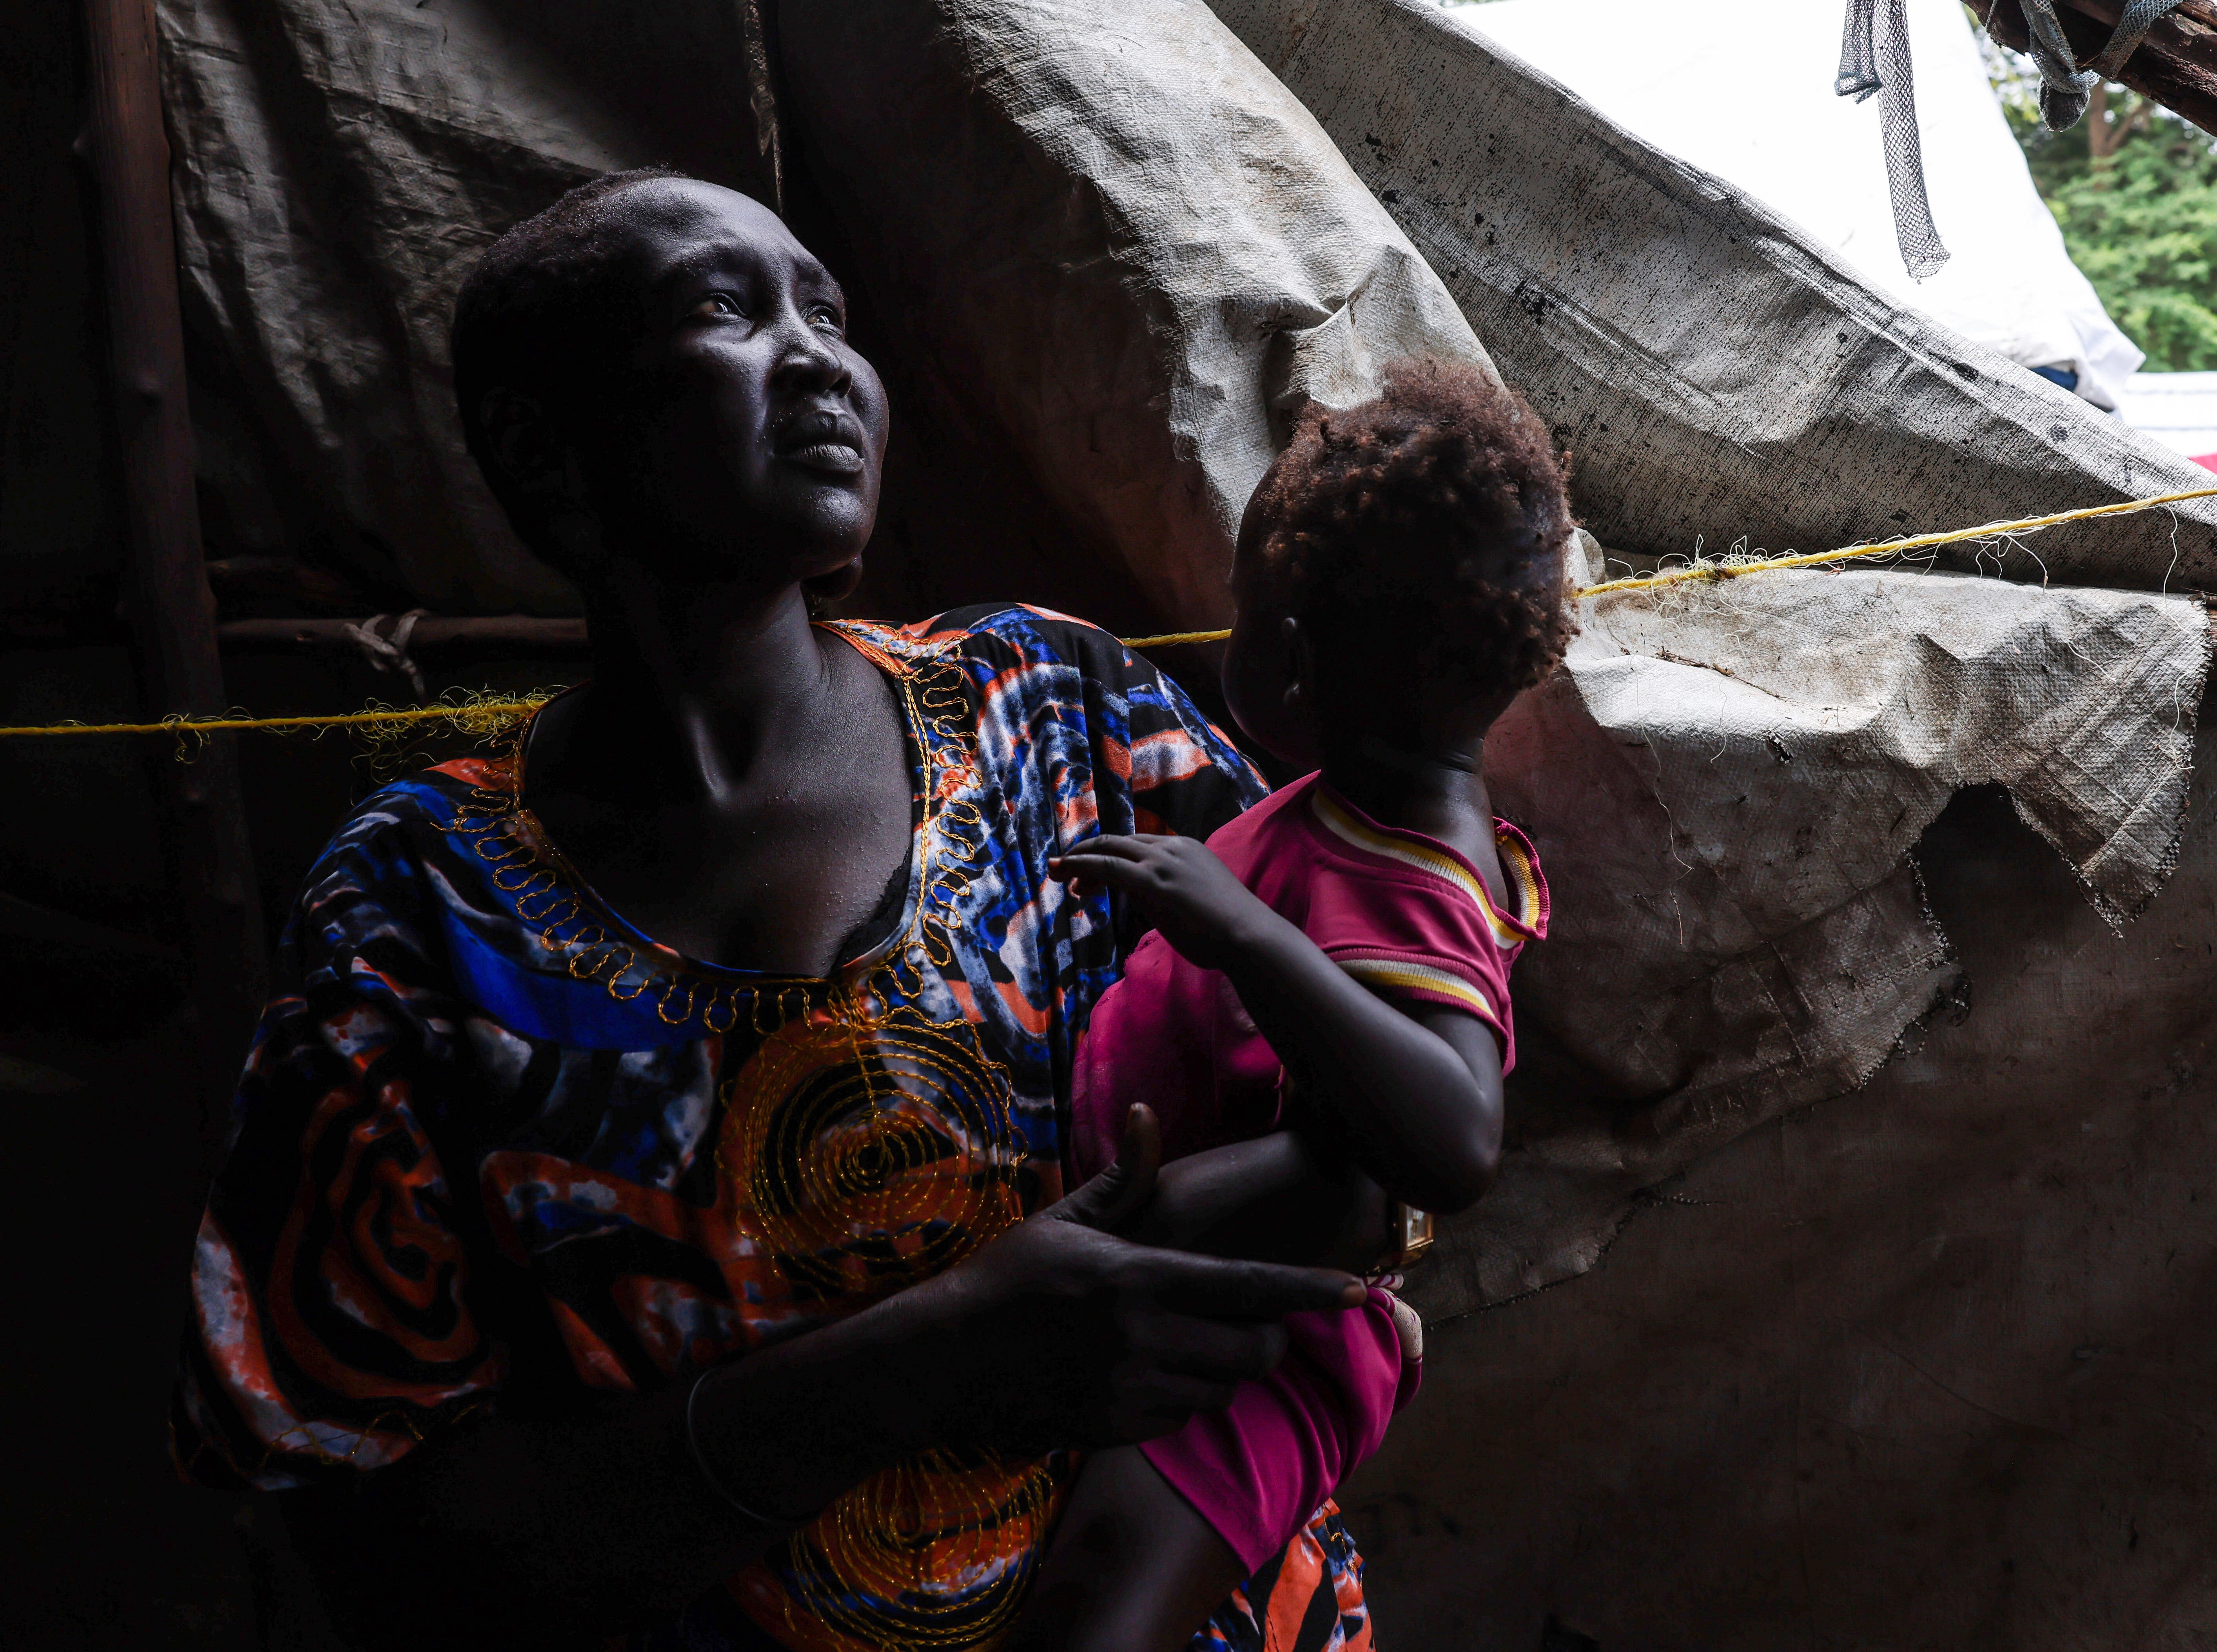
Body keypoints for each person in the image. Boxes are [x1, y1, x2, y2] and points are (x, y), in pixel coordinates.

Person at [170, 169, 1389, 1651]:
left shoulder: (1058, 718)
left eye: (828, 311)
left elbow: (1379, 1128)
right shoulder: (418, 903)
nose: (818, 355)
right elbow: (369, 1531)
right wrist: (936, 1354)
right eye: (721, 309)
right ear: (540, 448)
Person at [1017, 363, 1572, 1650]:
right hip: (1213, 1303)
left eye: (1246, 615)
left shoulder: (1412, 873)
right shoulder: (1353, 810)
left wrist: (1241, 931)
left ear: (1289, 658)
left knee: (1093, 1613)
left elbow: (1451, 1136)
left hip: (1262, 1358)